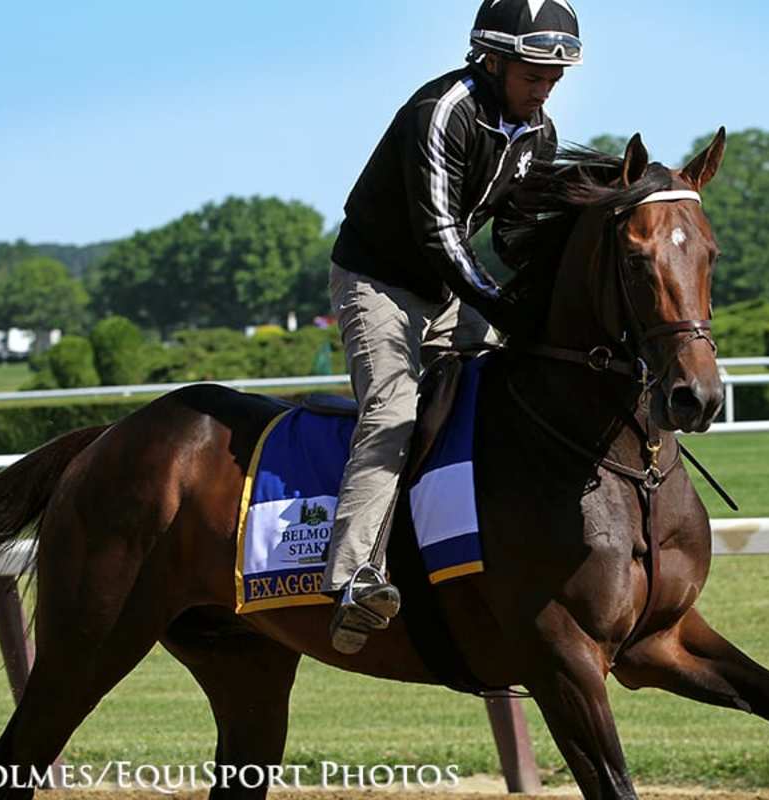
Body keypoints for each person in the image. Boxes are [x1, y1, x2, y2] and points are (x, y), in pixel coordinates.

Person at [322, 0, 584, 654]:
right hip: (377, 282)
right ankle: (353, 578)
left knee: (510, 392)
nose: (546, 86)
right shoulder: (440, 112)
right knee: (392, 413)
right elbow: (439, 233)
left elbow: (518, 233)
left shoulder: (538, 133)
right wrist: (498, 304)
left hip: (445, 287)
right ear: (491, 59)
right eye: (533, 71)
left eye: (556, 75)